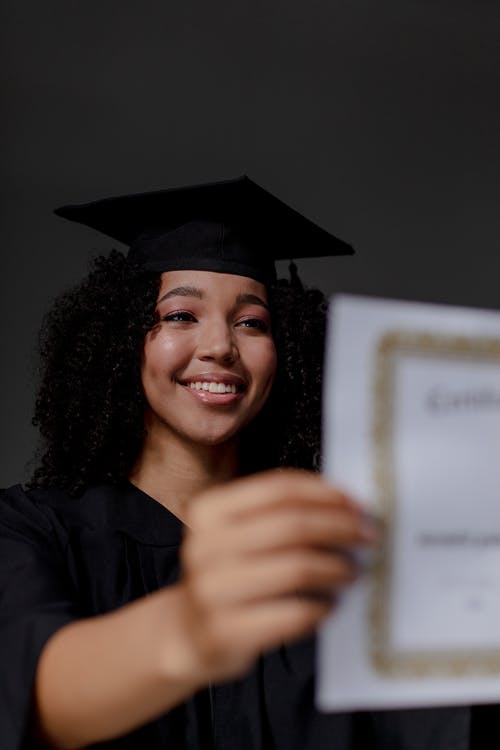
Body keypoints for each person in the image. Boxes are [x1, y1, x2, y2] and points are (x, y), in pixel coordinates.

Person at [0, 177, 470, 749]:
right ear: (122, 338)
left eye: (252, 322)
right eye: (180, 316)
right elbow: (34, 694)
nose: (220, 345)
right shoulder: (32, 531)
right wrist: (192, 626)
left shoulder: (339, 547)